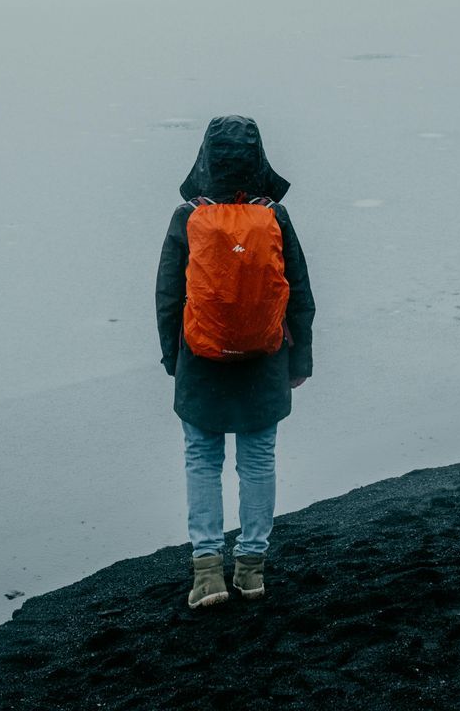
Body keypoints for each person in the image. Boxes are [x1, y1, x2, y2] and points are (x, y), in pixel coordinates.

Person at [155, 115, 315, 609]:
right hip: (264, 359)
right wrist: (300, 359)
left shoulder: (187, 217)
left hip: (200, 361)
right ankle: (251, 570)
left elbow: (167, 296)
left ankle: (207, 573)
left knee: (202, 460)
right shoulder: (275, 217)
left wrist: (171, 359)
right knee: (258, 460)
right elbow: (301, 296)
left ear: (205, 159)